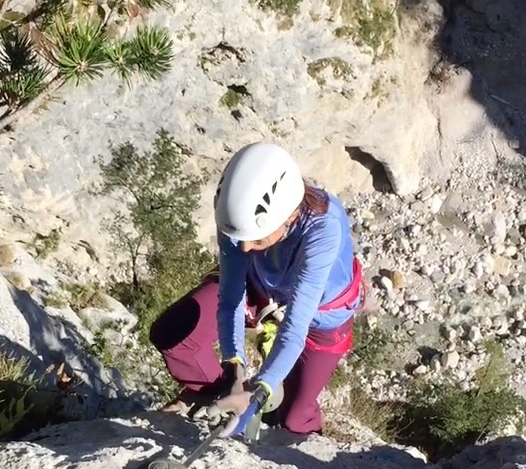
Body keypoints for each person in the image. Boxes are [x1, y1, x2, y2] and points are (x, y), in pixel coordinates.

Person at [147, 141, 366, 436]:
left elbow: (295, 328)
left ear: (289, 217)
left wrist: (260, 389)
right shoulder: (238, 213)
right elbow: (230, 299)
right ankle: (216, 398)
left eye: (258, 239)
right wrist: (233, 368)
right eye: (242, 237)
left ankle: (285, 425)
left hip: (322, 313)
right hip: (260, 285)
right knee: (173, 334)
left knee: (295, 418)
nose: (245, 248)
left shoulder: (323, 230)